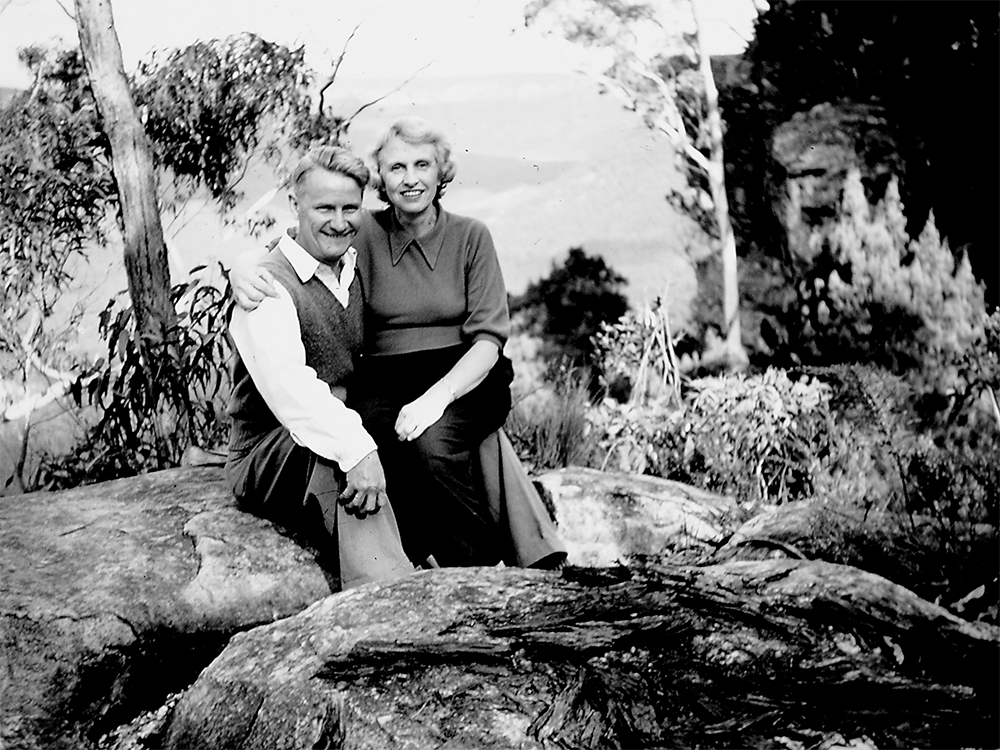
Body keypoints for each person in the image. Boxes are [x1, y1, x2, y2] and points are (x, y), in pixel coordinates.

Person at [232, 117, 566, 571]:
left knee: (436, 442)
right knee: (371, 434)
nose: (410, 178)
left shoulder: (467, 236)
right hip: (383, 382)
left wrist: (437, 397)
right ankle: (407, 565)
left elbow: (489, 338)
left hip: (465, 371)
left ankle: (479, 567)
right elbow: (294, 245)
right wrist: (241, 265)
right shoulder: (355, 235)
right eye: (396, 168)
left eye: (422, 164)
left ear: (440, 171)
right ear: (382, 181)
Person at [225, 144, 412, 590]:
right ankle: (384, 587)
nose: (340, 221)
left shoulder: (352, 264)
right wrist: (358, 451)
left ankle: (442, 560)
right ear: (295, 205)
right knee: (335, 451)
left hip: (323, 423)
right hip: (269, 450)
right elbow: (291, 391)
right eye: (324, 207)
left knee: (406, 426)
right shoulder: (267, 289)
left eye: (351, 208)